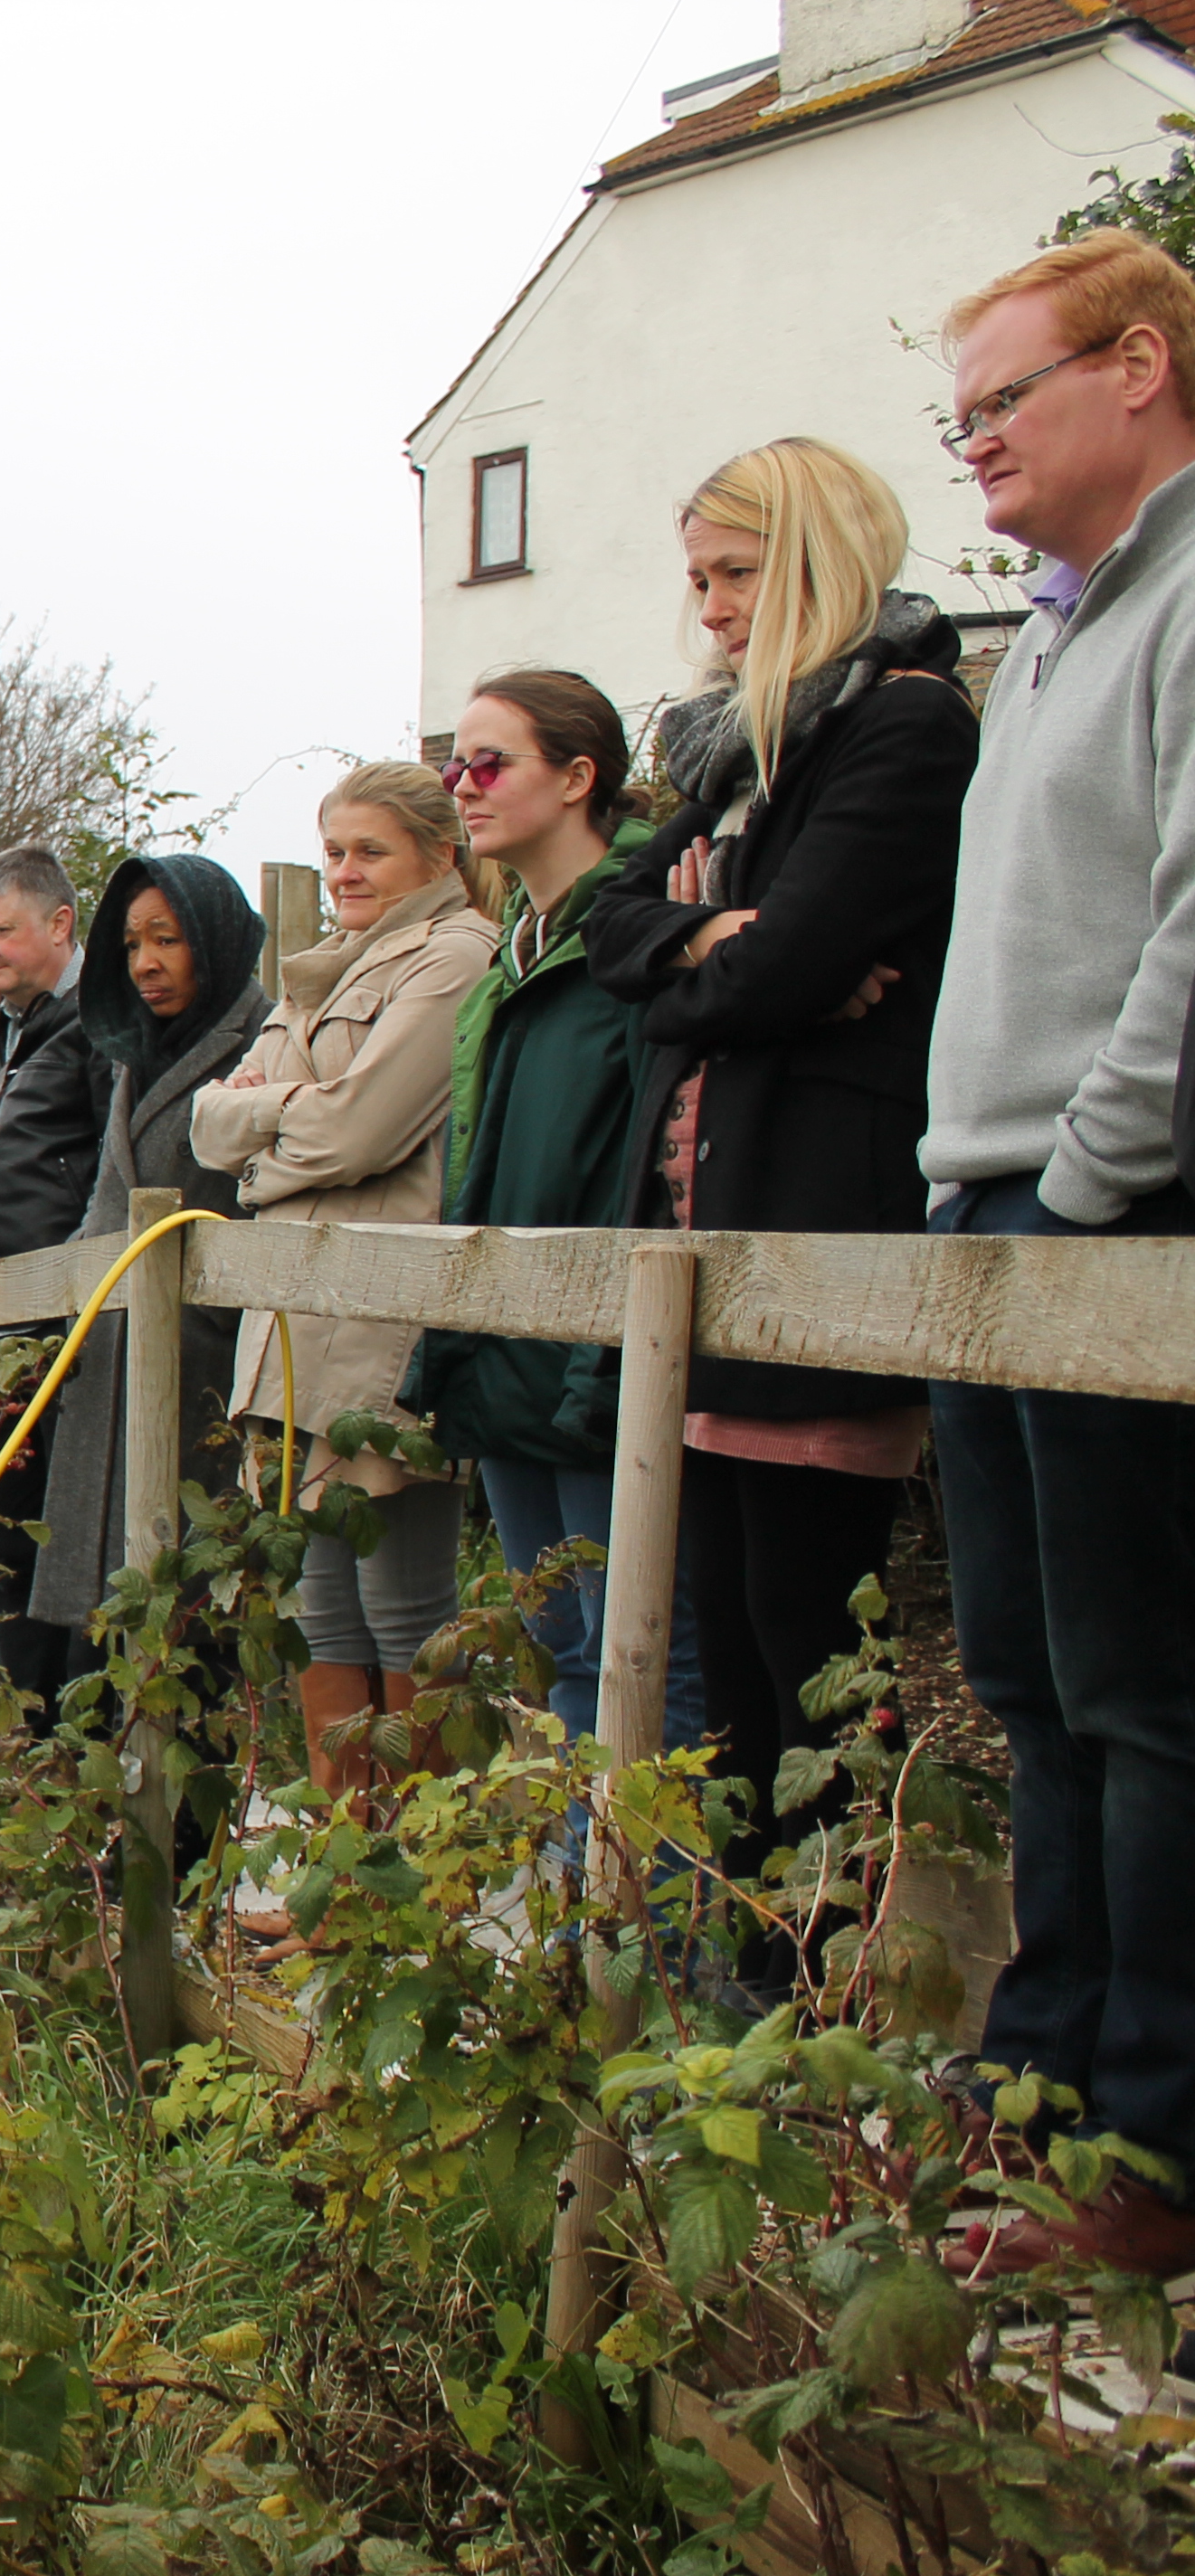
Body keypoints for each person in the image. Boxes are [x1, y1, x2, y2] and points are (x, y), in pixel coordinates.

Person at [582, 439, 975, 1974]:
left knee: (808, 1637)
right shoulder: (739, 760)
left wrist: (720, 960)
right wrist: (706, 954)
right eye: (695, 579)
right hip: (699, 1238)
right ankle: (751, 1961)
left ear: (813, 561)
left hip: (814, 1231)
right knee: (725, 1642)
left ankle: (813, 1970)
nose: (711, 609)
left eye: (734, 574)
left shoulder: (901, 729)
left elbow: (786, 965)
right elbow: (622, 928)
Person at [918, 229, 1195, 2278]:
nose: (978, 442)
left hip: (1097, 1214)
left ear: (1143, 365)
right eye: (963, 416)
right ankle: (1028, 2094)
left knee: (1140, 1688)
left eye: (1006, 398)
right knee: (1024, 1674)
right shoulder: (1051, 630)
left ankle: (1146, 2150)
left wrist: (1090, 1174)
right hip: (980, 1204)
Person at [195, 763, 498, 1809]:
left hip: (378, 1321)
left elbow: (366, 1130)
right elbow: (206, 1125)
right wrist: (291, 1132)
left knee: (405, 1603)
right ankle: (344, 1857)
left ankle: (416, 1881)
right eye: (334, 851)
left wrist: (264, 1143)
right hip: (290, 1326)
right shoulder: (320, 971)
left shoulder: (455, 958)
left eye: (370, 849)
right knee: (320, 1606)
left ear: (439, 852)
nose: (345, 871)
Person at [404, 673, 667, 1742]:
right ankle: (581, 1908)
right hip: (509, 1340)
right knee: (556, 1650)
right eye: (452, 766)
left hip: (605, 1346)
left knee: (637, 1655)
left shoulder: (641, 934)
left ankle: (649, 1909)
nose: (462, 787)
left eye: (488, 763)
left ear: (576, 777)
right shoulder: (511, 951)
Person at [32, 854, 270, 1634]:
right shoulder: (137, 1056)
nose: (145, 964)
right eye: (133, 944)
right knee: (105, 1609)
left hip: (197, 1357)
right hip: (109, 1350)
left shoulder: (262, 1047)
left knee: (186, 1601)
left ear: (216, 938)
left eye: (167, 939)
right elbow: (108, 1201)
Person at [0, 844, 101, 1709]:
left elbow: (111, 1166)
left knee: (49, 1525)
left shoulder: (100, 1024)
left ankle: (48, 1718)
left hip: (59, 1318)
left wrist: (71, 1287)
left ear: (60, 924)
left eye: (1, 932)